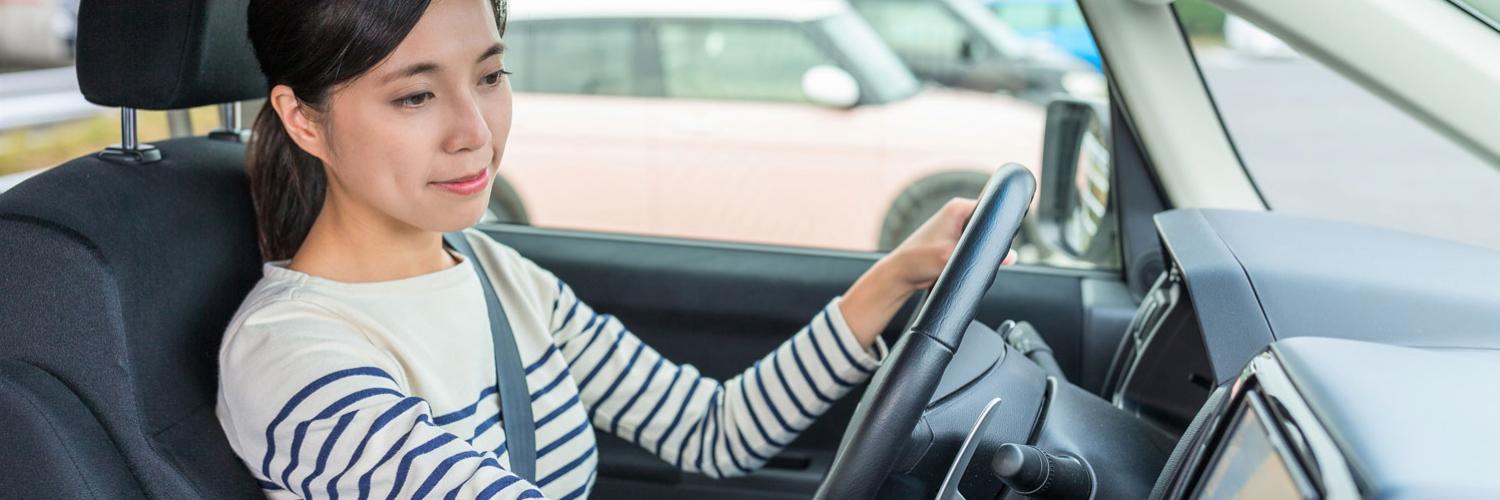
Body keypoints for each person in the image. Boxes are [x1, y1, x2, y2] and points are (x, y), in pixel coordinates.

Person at [216, 0, 998, 498]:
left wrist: (900, 274)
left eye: (489, 77)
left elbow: (712, 431)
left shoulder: (494, 272)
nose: (475, 132)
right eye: (416, 95)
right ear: (305, 120)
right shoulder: (294, 359)